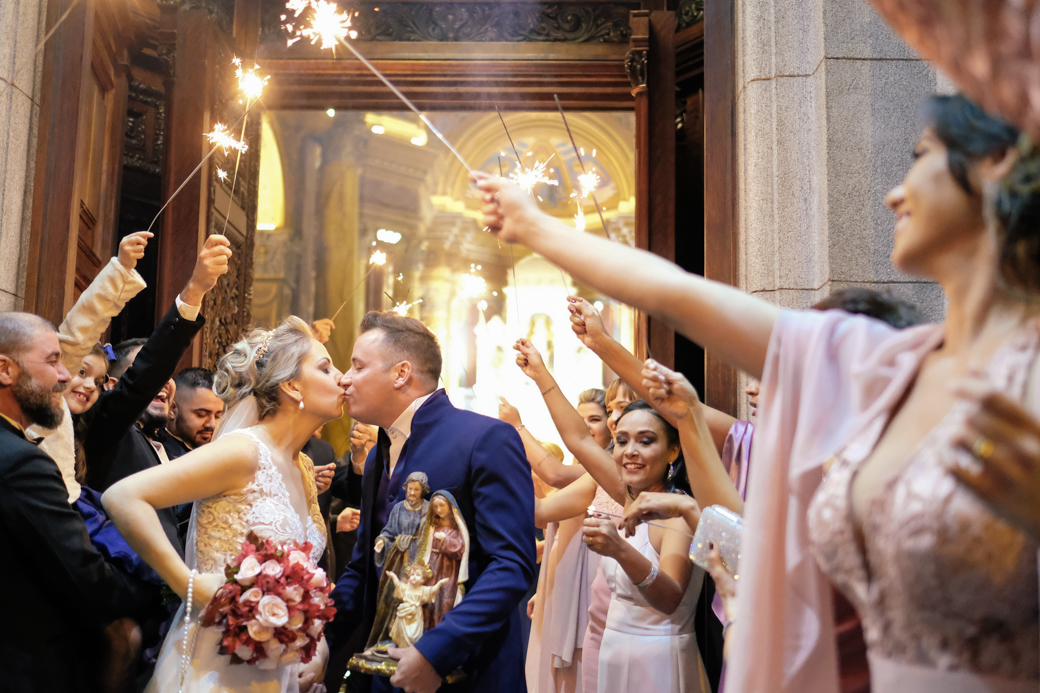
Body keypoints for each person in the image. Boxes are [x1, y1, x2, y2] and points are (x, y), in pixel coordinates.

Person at [475, 93, 1040, 692]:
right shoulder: (885, 363)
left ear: (997, 164)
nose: (891, 193)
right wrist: (534, 226)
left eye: (921, 155)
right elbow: (676, 294)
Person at [103, 316, 341, 692]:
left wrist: (316, 642)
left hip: (274, 672)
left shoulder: (304, 468)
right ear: (293, 386)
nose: (341, 378)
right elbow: (123, 497)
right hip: (212, 667)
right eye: (326, 368)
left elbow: (304, 572)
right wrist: (189, 585)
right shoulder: (243, 452)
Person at [327, 310, 536, 693]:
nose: (345, 378)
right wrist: (321, 643)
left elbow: (510, 565)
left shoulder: (486, 438)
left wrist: (435, 652)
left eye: (358, 366)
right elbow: (364, 568)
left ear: (401, 373)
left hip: (463, 672)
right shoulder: (379, 454)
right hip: (381, 672)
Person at [0, 312, 152, 693]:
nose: (65, 376)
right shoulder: (21, 463)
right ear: (5, 370)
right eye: (52, 361)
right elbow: (84, 577)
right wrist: (160, 587)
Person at [84, 234, 232, 561]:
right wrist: (195, 290)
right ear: (111, 385)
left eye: (168, 377)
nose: (163, 383)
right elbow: (145, 375)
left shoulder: (168, 446)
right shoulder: (110, 431)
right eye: (152, 375)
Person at [581, 400, 710, 693]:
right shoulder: (630, 501)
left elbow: (669, 599)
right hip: (613, 651)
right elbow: (577, 441)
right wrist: (539, 375)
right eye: (622, 441)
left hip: (658, 660)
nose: (630, 451)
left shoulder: (680, 514)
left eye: (646, 441)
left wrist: (620, 550)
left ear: (673, 451)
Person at [27, 230, 150, 502]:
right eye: (80, 372)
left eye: (98, 382)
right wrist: (120, 269)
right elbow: (77, 334)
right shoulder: (40, 398)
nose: (88, 386)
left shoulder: (83, 428)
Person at [162, 367, 225, 459]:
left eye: (217, 416)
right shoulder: (159, 452)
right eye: (201, 415)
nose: (212, 425)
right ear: (172, 409)